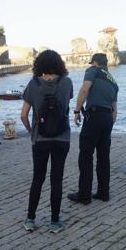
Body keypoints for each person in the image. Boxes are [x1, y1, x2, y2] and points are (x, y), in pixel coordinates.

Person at [21, 50, 73, 233]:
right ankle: (54, 221)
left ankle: (30, 219)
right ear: (59, 64)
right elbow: (67, 105)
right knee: (56, 180)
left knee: (38, 178)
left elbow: (24, 115)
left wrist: (31, 131)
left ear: (39, 65)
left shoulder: (33, 84)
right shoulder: (67, 83)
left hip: (40, 139)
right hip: (62, 138)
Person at [68, 53, 118, 204]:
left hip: (94, 117)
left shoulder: (93, 70)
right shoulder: (113, 81)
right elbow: (115, 109)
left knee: (86, 155)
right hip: (108, 118)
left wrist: (77, 111)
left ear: (95, 62)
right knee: (103, 157)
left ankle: (84, 195)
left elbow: (84, 89)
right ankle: (104, 193)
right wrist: (109, 124)